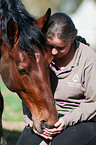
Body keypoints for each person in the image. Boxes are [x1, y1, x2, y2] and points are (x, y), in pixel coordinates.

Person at [17, 12, 96, 145]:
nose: (53, 52)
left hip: (82, 120)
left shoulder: (89, 59)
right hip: (46, 118)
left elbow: (93, 102)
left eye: (60, 48)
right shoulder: (39, 56)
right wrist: (31, 121)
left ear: (73, 39)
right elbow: (29, 90)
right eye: (50, 46)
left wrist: (66, 120)